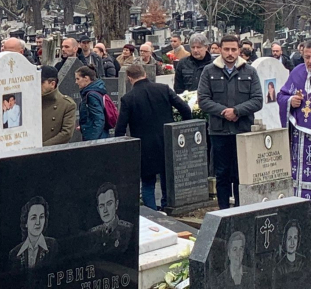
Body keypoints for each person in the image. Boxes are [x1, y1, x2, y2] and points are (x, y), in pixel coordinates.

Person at [114, 63, 192, 210]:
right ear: (145, 74)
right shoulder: (163, 89)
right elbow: (185, 109)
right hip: (166, 140)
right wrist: (181, 129)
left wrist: (121, 148)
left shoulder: (128, 98)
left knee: (148, 183)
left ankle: (152, 213)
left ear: (129, 78)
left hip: (144, 146)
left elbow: (120, 128)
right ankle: (167, 206)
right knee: (167, 178)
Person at [198, 33, 263, 209]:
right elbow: (203, 100)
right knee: (222, 174)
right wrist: (223, 112)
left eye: (234, 49)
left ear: (239, 50)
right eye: (226, 49)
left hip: (243, 131)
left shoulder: (249, 71)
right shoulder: (209, 71)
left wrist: (237, 111)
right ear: (220, 49)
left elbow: (258, 100)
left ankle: (241, 211)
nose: (230, 53)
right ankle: (224, 211)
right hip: (219, 132)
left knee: (241, 175)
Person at [277, 39, 311, 198]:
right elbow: (281, 95)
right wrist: (291, 101)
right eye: (307, 57)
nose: (309, 61)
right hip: (300, 136)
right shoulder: (297, 72)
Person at [8, 196, 57, 272]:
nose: (38, 222)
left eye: (41, 217)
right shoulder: (15, 253)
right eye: (34, 218)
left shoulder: (52, 245)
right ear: (26, 222)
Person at [88, 183, 133, 255]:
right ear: (98, 210)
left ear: (116, 204)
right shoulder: (93, 233)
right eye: (101, 206)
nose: (105, 210)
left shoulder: (128, 230)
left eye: (109, 204)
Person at [40, 66, 76, 146]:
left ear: (52, 84)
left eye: (41, 82)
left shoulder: (67, 104)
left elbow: (66, 134)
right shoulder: (32, 101)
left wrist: (43, 146)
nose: (37, 85)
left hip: (53, 150)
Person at [75, 66, 110, 141]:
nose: (76, 82)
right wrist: (85, 127)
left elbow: (99, 119)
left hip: (95, 138)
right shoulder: (96, 91)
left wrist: (92, 141)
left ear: (86, 78)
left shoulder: (91, 95)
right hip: (100, 135)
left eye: (78, 79)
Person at [275, 220, 305, 287]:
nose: (292, 242)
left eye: (295, 238)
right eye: (289, 238)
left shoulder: (303, 262)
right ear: (285, 240)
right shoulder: (279, 268)